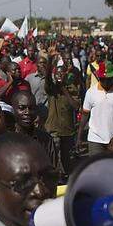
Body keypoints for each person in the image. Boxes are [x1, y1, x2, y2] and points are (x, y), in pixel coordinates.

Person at [76, 61, 113, 156]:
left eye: (109, 79)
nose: (106, 82)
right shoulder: (91, 92)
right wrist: (79, 137)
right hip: (95, 139)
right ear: (99, 77)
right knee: (96, 168)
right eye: (103, 79)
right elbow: (85, 115)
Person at [44, 46, 81, 176]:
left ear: (65, 74)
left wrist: (64, 89)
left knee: (67, 158)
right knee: (54, 157)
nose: (59, 75)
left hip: (68, 130)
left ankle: (66, 177)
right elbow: (47, 78)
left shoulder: (71, 88)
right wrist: (49, 60)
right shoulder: (52, 88)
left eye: (62, 73)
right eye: (57, 73)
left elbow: (76, 106)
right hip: (53, 129)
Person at [12, 90, 58, 172]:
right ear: (13, 109)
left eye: (31, 108)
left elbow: (52, 171)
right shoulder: (6, 140)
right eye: (22, 108)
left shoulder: (46, 139)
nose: (27, 112)